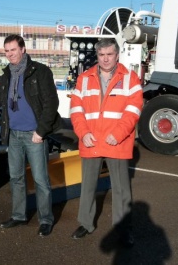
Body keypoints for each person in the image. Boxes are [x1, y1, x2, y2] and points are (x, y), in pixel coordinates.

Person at [0, 34, 62, 237]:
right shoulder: (7, 74)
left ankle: (45, 219)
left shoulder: (40, 71)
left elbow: (51, 103)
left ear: (23, 49)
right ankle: (18, 216)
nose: (9, 54)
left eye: (13, 50)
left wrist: (41, 131)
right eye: (6, 51)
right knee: (16, 177)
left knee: (41, 180)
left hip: (34, 135)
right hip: (13, 134)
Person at [69, 37, 143, 247]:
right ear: (97, 56)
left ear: (117, 55)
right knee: (88, 186)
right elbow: (76, 109)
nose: (105, 59)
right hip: (91, 139)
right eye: (101, 55)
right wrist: (83, 133)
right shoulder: (84, 78)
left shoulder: (130, 78)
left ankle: (123, 229)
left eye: (109, 54)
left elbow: (134, 109)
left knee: (121, 189)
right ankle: (86, 223)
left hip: (116, 141)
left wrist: (118, 134)